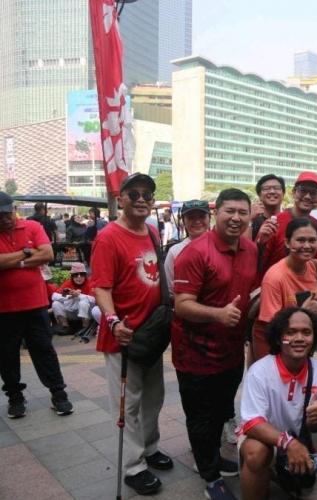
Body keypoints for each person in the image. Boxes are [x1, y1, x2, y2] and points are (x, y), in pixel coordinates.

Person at [172, 188, 259, 499]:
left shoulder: (250, 249)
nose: (236, 218)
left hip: (231, 352)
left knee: (222, 410)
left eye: (242, 212)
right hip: (195, 354)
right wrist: (218, 314)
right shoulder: (195, 252)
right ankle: (210, 477)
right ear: (217, 214)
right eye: (229, 211)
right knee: (200, 416)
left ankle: (210, 458)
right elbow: (182, 304)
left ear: (250, 215)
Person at [91, 173, 173, 495]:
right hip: (123, 336)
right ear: (121, 198)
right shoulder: (108, 238)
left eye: (148, 195)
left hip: (151, 333)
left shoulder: (152, 231)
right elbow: (100, 287)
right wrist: (113, 322)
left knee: (154, 397)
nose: (142, 199)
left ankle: (150, 449)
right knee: (129, 404)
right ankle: (133, 465)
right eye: (134, 194)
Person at [238, 307, 317, 500]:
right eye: (290, 332)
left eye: (306, 332)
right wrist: (289, 443)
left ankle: (279, 473)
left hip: (302, 439)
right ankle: (265, 472)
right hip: (266, 439)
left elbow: (315, 428)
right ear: (278, 337)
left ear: (314, 338)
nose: (299, 338)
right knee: (255, 453)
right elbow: (252, 424)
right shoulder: (260, 371)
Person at [0, 191, 74, 419]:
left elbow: (47, 254)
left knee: (44, 350)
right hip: (4, 309)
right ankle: (15, 398)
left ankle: (58, 394)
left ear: (13, 209)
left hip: (35, 305)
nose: (4, 219)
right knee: (7, 355)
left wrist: (14, 262)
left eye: (6, 213)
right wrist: (25, 254)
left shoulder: (32, 226)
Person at [256, 218, 317, 361]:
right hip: (278, 348)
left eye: (312, 240)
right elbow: (271, 327)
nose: (307, 246)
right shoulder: (275, 277)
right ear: (287, 243)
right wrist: (303, 312)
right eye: (300, 240)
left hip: (302, 345)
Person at [257, 172, 317, 277]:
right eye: (302, 191)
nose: (307, 196)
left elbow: (313, 261)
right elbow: (259, 261)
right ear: (294, 192)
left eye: (313, 193)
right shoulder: (274, 222)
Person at [164, 199, 211, 294]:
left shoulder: (220, 246)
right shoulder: (175, 251)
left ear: (209, 218)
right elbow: (169, 288)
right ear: (183, 221)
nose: (197, 221)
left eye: (202, 217)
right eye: (191, 217)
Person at [52, 262, 96, 333]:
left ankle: (85, 327)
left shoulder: (90, 283)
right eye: (76, 275)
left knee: (83, 302)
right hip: (72, 311)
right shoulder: (68, 283)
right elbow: (54, 296)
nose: (79, 277)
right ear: (72, 276)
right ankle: (65, 326)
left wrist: (79, 295)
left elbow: (94, 300)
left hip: (87, 313)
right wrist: (69, 296)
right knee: (56, 303)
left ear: (85, 275)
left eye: (82, 274)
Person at [251, 174, 285, 241]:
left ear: (283, 193)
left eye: (277, 188)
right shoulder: (252, 222)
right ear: (259, 195)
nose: (272, 191)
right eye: (266, 188)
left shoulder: (290, 219)